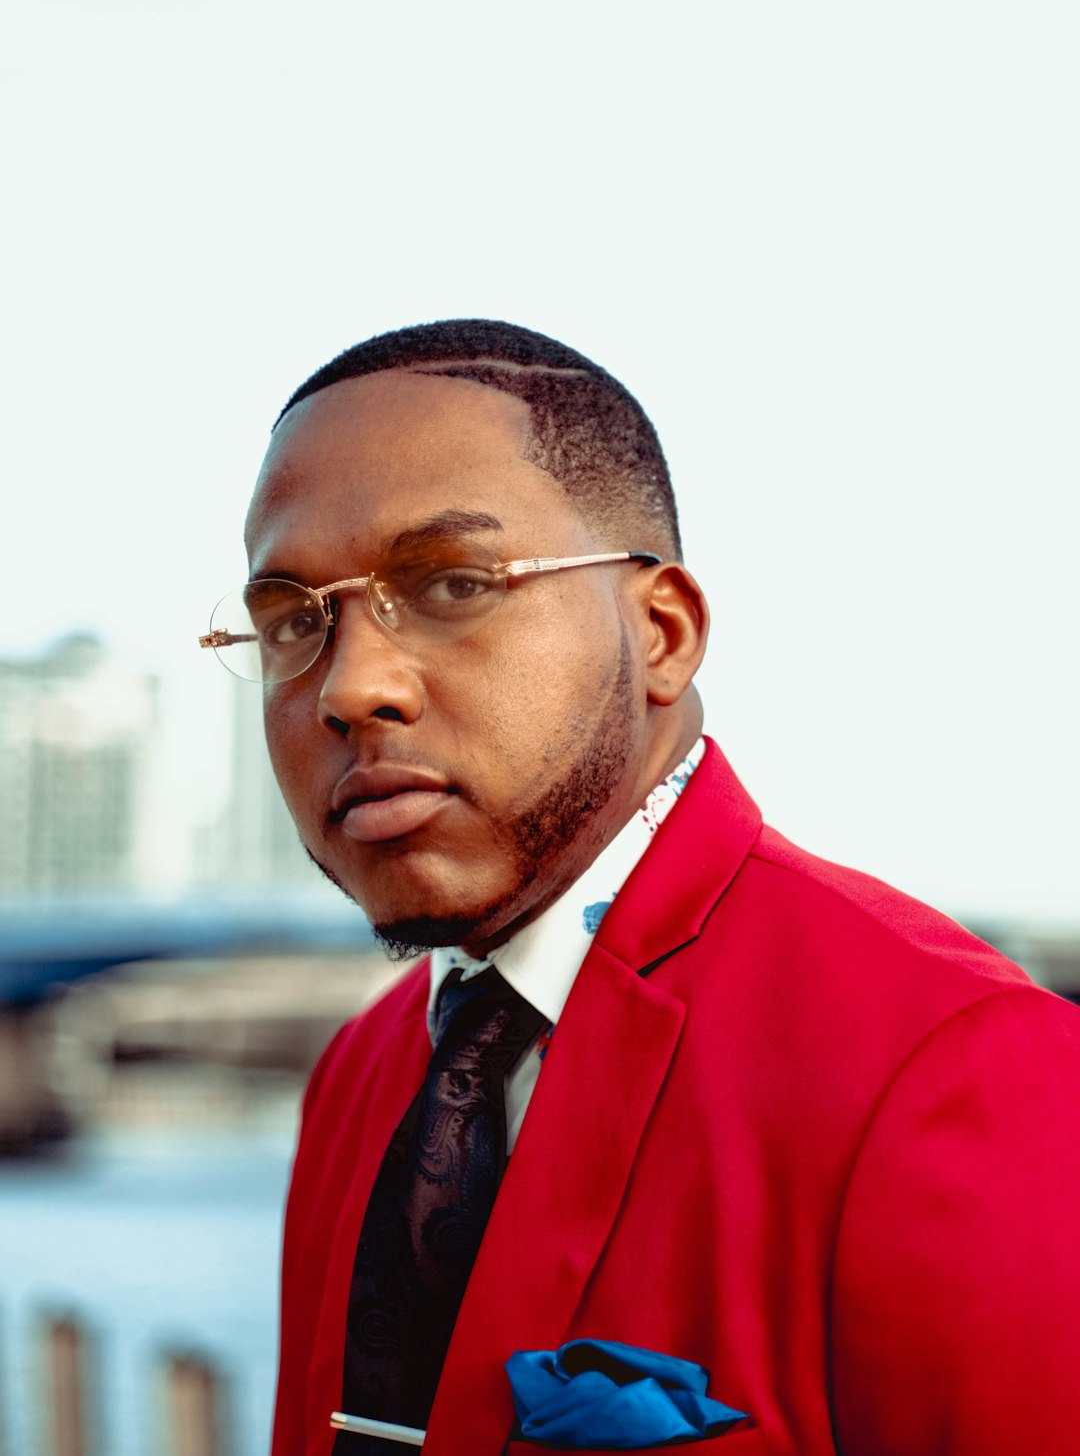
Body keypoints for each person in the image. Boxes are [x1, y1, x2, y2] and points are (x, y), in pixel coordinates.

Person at [202, 319, 1080, 1456]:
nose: (350, 687)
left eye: (456, 583)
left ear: (662, 633)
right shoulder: (364, 1077)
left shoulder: (954, 1066)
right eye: (292, 621)